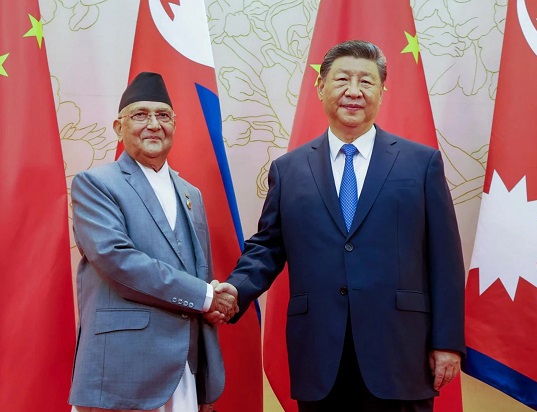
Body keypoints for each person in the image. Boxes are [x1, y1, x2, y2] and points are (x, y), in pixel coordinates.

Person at [216, 40, 465, 411]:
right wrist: (236, 289)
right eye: (342, 79)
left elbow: (445, 258)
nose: (354, 91)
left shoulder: (421, 163)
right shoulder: (289, 170)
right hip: (320, 353)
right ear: (320, 87)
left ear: (382, 91)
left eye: (366, 81)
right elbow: (268, 246)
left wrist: (447, 342)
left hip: (401, 351)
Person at [68, 72, 237, 412]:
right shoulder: (95, 184)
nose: (154, 125)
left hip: (185, 367)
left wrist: (217, 302)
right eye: (141, 115)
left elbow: (200, 273)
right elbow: (118, 261)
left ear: (174, 124)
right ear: (119, 127)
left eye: (163, 115)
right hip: (123, 368)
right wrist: (207, 297)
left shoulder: (191, 194)